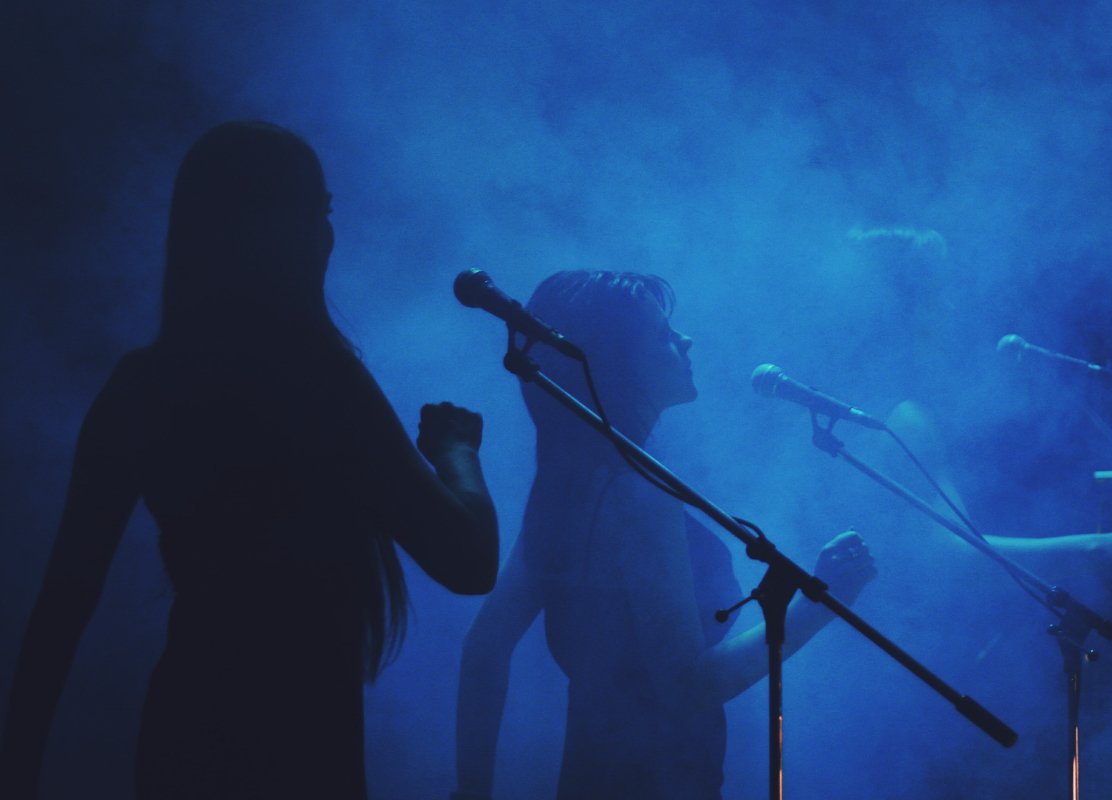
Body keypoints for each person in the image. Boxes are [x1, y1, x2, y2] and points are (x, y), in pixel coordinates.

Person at [0, 121, 500, 799]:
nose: (327, 235)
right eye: (315, 212)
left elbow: (63, 604)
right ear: (274, 229)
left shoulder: (142, 386)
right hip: (300, 738)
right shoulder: (323, 381)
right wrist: (457, 453)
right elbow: (468, 561)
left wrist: (19, 770)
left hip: (184, 731)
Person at [452, 271, 877, 800]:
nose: (685, 340)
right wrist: (821, 603)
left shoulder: (570, 484)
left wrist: (470, 795)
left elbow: (484, 649)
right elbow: (684, 687)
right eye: (662, 334)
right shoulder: (637, 497)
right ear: (618, 362)